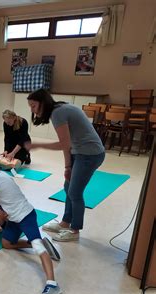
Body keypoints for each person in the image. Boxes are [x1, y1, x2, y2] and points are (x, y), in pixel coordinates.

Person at [0, 154, 62, 294]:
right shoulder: (0, 174)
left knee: (38, 247)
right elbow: (0, 200)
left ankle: (52, 284)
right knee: (6, 244)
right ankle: (38, 243)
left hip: (26, 216)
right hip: (14, 217)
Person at [25, 89, 105, 242]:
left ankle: (75, 231)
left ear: (43, 103)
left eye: (33, 106)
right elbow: (67, 145)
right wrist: (68, 167)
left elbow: (64, 144)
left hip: (90, 154)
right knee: (68, 188)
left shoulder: (58, 113)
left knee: (75, 192)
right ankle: (65, 223)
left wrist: (39, 145)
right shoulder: (59, 109)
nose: (32, 110)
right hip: (79, 152)